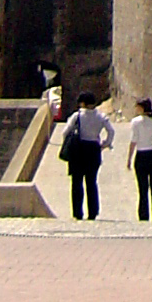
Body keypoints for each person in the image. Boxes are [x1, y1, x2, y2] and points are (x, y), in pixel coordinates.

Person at [60, 91, 114, 220]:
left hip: (78, 150)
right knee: (91, 182)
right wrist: (105, 144)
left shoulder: (77, 116)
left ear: (82, 103)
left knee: (76, 182)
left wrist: (68, 144)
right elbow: (111, 131)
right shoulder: (101, 117)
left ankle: (77, 213)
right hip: (94, 149)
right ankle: (93, 212)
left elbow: (65, 132)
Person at [125, 96, 152, 222]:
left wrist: (129, 159)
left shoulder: (136, 122)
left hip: (142, 156)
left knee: (143, 189)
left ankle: (143, 215)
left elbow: (133, 141)